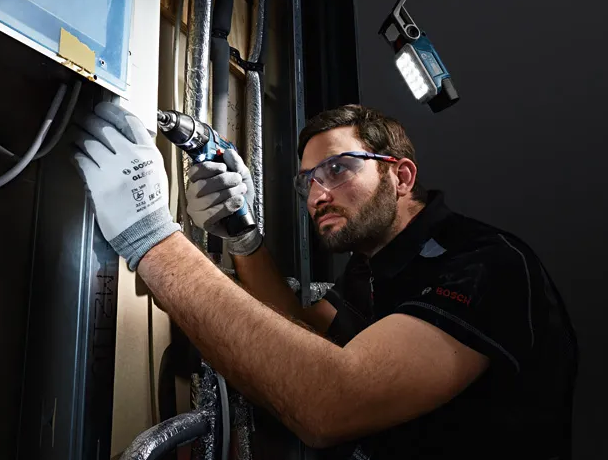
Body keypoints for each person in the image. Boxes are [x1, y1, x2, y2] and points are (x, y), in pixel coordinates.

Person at [73, 102, 578, 459]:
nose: (317, 195)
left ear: (401, 176)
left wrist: (153, 239)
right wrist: (242, 235)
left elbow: (331, 401)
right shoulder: (371, 263)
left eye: (337, 169)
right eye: (308, 180)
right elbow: (304, 332)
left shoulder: (482, 264)